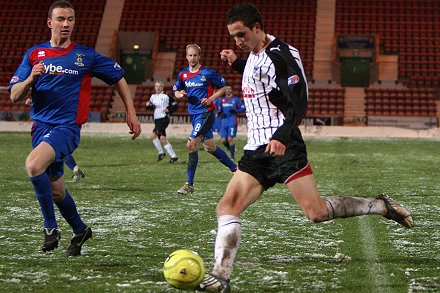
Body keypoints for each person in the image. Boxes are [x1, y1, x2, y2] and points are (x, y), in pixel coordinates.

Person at [196, 3, 414, 292]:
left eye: (241, 35)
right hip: (256, 150)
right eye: (233, 37)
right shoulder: (253, 53)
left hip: (285, 147)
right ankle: (221, 276)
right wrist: (237, 62)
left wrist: (283, 136)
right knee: (226, 206)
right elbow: (262, 81)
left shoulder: (283, 54)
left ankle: (379, 205)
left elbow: (298, 101)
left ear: (258, 28)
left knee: (317, 213)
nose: (237, 41)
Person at [9, 0, 141, 257]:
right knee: (57, 190)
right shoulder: (34, 54)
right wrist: (30, 79)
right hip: (40, 128)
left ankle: (50, 228)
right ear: (50, 23)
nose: (66, 24)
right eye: (60, 19)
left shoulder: (85, 56)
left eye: (70, 19)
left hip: (67, 128)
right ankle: (80, 230)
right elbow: (14, 94)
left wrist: (131, 112)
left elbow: (119, 77)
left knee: (33, 165)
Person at [173, 44, 237, 194]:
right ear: (186, 56)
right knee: (210, 147)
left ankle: (189, 184)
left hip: (206, 114)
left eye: (195, 55)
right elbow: (176, 89)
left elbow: (223, 87)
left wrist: (211, 99)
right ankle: (235, 169)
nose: (192, 58)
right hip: (194, 116)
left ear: (199, 56)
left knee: (191, 144)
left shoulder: (207, 73)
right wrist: (179, 94)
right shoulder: (183, 75)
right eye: (190, 55)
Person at [26, 97, 85, 181]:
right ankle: (74, 169)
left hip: (47, 124)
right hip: (44, 123)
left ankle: (73, 170)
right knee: (54, 150)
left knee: (48, 150)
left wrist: (33, 101)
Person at [146, 81, 178, 163]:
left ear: (162, 87)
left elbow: (175, 104)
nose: (158, 88)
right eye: (156, 86)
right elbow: (151, 107)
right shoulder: (153, 97)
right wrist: (148, 105)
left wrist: (169, 110)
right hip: (157, 119)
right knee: (163, 138)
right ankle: (173, 156)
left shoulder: (166, 96)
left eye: (159, 86)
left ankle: (161, 153)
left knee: (153, 135)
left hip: (163, 118)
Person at [217, 84, 245, 160]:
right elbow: (219, 111)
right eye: (226, 89)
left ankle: (232, 157)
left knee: (230, 139)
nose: (228, 90)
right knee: (223, 140)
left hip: (232, 121)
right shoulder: (221, 100)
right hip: (224, 122)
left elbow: (243, 108)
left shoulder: (235, 99)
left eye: (229, 89)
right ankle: (232, 149)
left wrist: (236, 110)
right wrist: (220, 114)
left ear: (232, 90)